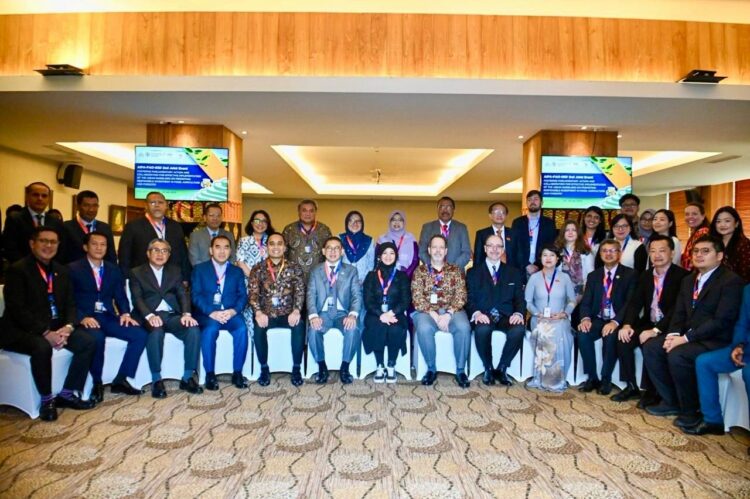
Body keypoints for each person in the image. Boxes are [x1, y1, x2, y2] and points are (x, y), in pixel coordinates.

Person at [643, 235, 744, 429]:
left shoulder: (731, 281)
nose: (699, 255)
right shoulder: (689, 280)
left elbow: (722, 321)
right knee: (652, 347)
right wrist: (673, 335)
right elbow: (679, 312)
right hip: (689, 336)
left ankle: (690, 411)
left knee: (678, 355)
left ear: (719, 256)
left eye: (706, 251)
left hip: (715, 339)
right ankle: (671, 400)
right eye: (696, 251)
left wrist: (685, 339)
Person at [0, 226, 95, 421]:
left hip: (56, 326)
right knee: (42, 347)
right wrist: (45, 332)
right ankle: (46, 400)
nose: (48, 246)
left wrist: (68, 327)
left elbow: (70, 303)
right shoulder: (17, 270)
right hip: (21, 330)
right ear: (32, 244)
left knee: (88, 341)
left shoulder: (61, 270)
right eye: (43, 241)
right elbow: (17, 309)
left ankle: (67, 393)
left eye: (53, 242)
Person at [69, 231, 147, 402]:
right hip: (87, 319)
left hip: (107, 317)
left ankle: (121, 379)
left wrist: (125, 313)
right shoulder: (73, 269)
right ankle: (97, 382)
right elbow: (68, 300)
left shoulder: (113, 269)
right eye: (94, 244)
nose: (99, 248)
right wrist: (81, 317)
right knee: (97, 339)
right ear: (85, 247)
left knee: (140, 334)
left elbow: (120, 295)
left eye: (103, 244)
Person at [614, 235, 690, 404]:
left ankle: (652, 390)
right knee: (623, 339)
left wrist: (656, 330)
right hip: (649, 322)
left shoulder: (683, 277)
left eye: (662, 250)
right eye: (653, 251)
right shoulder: (646, 275)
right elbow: (635, 303)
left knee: (650, 343)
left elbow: (677, 310)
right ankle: (631, 386)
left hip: (671, 326)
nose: (657, 255)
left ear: (672, 253)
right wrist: (627, 324)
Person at [129, 238, 202, 398]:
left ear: (169, 255)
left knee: (193, 329)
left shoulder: (175, 271)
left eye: (164, 251)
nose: (160, 254)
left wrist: (186, 313)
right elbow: (137, 299)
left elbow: (182, 293)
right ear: (148, 253)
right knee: (156, 332)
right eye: (156, 250)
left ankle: (187, 377)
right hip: (150, 315)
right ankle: (156, 379)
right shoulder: (137, 272)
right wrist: (149, 316)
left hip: (171, 315)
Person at [577, 239, 636, 395]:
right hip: (597, 318)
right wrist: (585, 318)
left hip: (617, 320)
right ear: (600, 254)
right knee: (582, 334)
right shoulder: (593, 276)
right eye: (604, 251)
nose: (608, 254)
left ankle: (605, 378)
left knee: (610, 337)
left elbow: (630, 303)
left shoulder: (630, 274)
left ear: (619, 253)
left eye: (612, 250)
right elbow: (586, 301)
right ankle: (592, 377)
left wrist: (615, 322)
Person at [690, 284, 750, 437]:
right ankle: (712, 420)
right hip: (745, 349)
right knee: (704, 362)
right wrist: (738, 345)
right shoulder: (748, 290)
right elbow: (742, 323)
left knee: (748, 373)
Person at [412, 235, 471, 388]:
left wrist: (448, 314)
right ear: (429, 250)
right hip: (427, 312)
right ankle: (431, 369)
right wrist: (434, 314)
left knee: (464, 327)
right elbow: (417, 297)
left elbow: (461, 295)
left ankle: (460, 370)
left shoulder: (455, 270)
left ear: (446, 251)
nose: (437, 251)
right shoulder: (420, 271)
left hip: (453, 311)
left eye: (441, 247)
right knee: (424, 328)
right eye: (434, 247)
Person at [466, 234, 525, 386]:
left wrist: (518, 313)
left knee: (518, 329)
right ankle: (488, 368)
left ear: (503, 250)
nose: (494, 249)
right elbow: (469, 298)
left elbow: (520, 298)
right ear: (485, 249)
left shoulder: (514, 272)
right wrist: (477, 313)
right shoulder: (473, 272)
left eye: (498, 246)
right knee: (482, 329)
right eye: (490, 246)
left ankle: (503, 368)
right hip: (484, 315)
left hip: (506, 316)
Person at [247, 233, 306, 387]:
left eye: (279, 243)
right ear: (266, 247)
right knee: (258, 327)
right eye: (272, 244)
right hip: (266, 314)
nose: (276, 247)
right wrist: (258, 313)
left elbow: (300, 291)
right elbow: (253, 294)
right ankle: (264, 368)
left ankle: (296, 368)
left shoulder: (294, 268)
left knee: (299, 325)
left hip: (288, 314)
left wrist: (296, 310)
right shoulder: (258, 268)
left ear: (285, 247)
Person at [191, 235, 248, 390]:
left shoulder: (237, 271)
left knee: (242, 329)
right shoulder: (199, 269)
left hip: (230, 313)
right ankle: (210, 374)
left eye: (226, 247)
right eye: (218, 247)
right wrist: (211, 312)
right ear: (211, 250)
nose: (222, 251)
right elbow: (196, 296)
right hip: (208, 314)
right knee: (210, 330)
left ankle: (237, 373)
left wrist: (233, 311)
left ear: (230, 251)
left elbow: (243, 296)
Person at [306, 237, 362, 384]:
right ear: (323, 251)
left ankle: (345, 367)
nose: (332, 251)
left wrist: (352, 315)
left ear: (342, 251)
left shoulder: (351, 271)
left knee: (353, 328)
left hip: (343, 314)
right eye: (329, 248)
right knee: (313, 329)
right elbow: (310, 295)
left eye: (336, 248)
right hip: (322, 314)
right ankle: (322, 367)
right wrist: (313, 316)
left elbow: (356, 295)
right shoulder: (315, 271)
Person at [525, 245, 577, 392]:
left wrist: (564, 313)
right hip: (539, 319)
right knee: (543, 330)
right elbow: (528, 302)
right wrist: (537, 313)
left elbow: (572, 301)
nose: (548, 258)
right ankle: (541, 377)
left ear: (557, 258)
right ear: (540, 258)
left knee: (559, 330)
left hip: (560, 318)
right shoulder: (534, 278)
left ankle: (557, 379)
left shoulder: (565, 278)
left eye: (552, 255)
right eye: (545, 255)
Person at [362, 242, 410, 383]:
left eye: (392, 253)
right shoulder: (371, 276)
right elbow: (368, 300)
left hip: (396, 314)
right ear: (379, 256)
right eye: (385, 253)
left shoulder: (402, 276)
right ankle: (380, 365)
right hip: (375, 314)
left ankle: (391, 364)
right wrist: (381, 314)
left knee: (396, 329)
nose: (388, 256)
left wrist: (391, 313)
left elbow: (406, 300)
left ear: (396, 256)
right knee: (378, 326)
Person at [119, 191, 191, 282]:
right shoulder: (133, 226)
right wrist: (126, 279)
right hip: (143, 280)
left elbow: (183, 254)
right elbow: (124, 256)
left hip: (172, 279)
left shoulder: (175, 226)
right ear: (146, 206)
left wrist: (185, 278)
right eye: (152, 202)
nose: (157, 205)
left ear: (166, 206)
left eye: (160, 202)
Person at [2, 182, 66, 264]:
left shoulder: (56, 221)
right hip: (22, 268)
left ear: (49, 199)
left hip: (49, 268)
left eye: (44, 196)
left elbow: (61, 248)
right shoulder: (15, 218)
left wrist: (51, 267)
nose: (40, 198)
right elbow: (10, 248)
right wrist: (29, 267)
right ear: (27, 196)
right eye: (35, 195)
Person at [236, 209, 274, 335]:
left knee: (266, 318)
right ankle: (251, 345)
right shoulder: (244, 241)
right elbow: (240, 262)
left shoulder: (271, 242)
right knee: (249, 317)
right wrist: (256, 280)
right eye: (257, 220)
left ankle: (262, 345)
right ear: (252, 223)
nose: (260, 224)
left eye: (264, 221)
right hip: (248, 285)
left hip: (269, 286)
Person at [510, 190, 557, 279]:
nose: (532, 202)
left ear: (541, 202)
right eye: (529, 200)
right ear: (526, 203)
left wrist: (537, 265)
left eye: (536, 199)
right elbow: (514, 247)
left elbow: (551, 246)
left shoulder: (549, 223)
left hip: (543, 267)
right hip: (521, 268)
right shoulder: (517, 222)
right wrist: (526, 264)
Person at [281, 199, 332, 280]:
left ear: (315, 212)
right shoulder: (289, 230)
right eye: (304, 210)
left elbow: (329, 253)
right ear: (299, 212)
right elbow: (283, 254)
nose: (308, 214)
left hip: (318, 277)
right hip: (294, 277)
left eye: (311, 211)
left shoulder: (324, 230)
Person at [63, 190, 117, 264]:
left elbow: (111, 257)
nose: (91, 209)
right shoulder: (66, 227)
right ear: (77, 207)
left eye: (95, 206)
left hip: (100, 271)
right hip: (72, 270)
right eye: (86, 205)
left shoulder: (105, 228)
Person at [418, 197, 472, 271]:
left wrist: (452, 268)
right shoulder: (427, 227)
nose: (445, 210)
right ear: (437, 209)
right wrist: (434, 267)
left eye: (449, 207)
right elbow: (422, 251)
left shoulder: (461, 228)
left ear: (453, 210)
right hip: (432, 272)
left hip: (456, 272)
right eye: (442, 207)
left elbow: (466, 252)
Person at [554, 220, 594, 300]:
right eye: (567, 230)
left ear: (578, 233)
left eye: (574, 230)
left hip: (581, 294)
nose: (570, 232)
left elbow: (591, 274)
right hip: (559, 292)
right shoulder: (556, 251)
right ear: (563, 233)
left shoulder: (585, 252)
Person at [710, 206, 750, 282]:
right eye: (718, 221)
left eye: (727, 221)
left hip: (736, 285)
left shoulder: (744, 244)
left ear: (736, 224)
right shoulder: (712, 242)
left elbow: (745, 274)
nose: (722, 225)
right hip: (713, 285)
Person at [376, 210, 419, 278]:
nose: (396, 222)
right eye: (393, 220)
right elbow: (377, 260)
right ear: (390, 222)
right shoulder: (382, 239)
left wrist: (405, 276)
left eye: (400, 220)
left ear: (404, 222)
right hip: (385, 277)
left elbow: (415, 261)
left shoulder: (411, 238)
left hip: (407, 277)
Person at [473, 201, 514, 268]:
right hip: (487, 271)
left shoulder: (514, 233)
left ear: (506, 215)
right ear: (490, 215)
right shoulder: (481, 234)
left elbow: (519, 256)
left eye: (502, 212)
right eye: (496, 212)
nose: (499, 215)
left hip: (511, 271)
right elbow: (478, 258)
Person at [340, 210, 375, 282]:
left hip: (362, 282)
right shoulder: (340, 239)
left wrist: (364, 279)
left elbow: (371, 264)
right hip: (343, 281)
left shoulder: (369, 240)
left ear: (362, 224)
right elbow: (336, 261)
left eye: (358, 221)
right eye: (351, 221)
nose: (355, 223)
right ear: (347, 223)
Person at [680, 202, 710, 271]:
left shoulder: (703, 232)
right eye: (687, 214)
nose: (690, 217)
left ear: (703, 216)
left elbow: (698, 257)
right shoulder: (695, 233)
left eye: (694, 214)